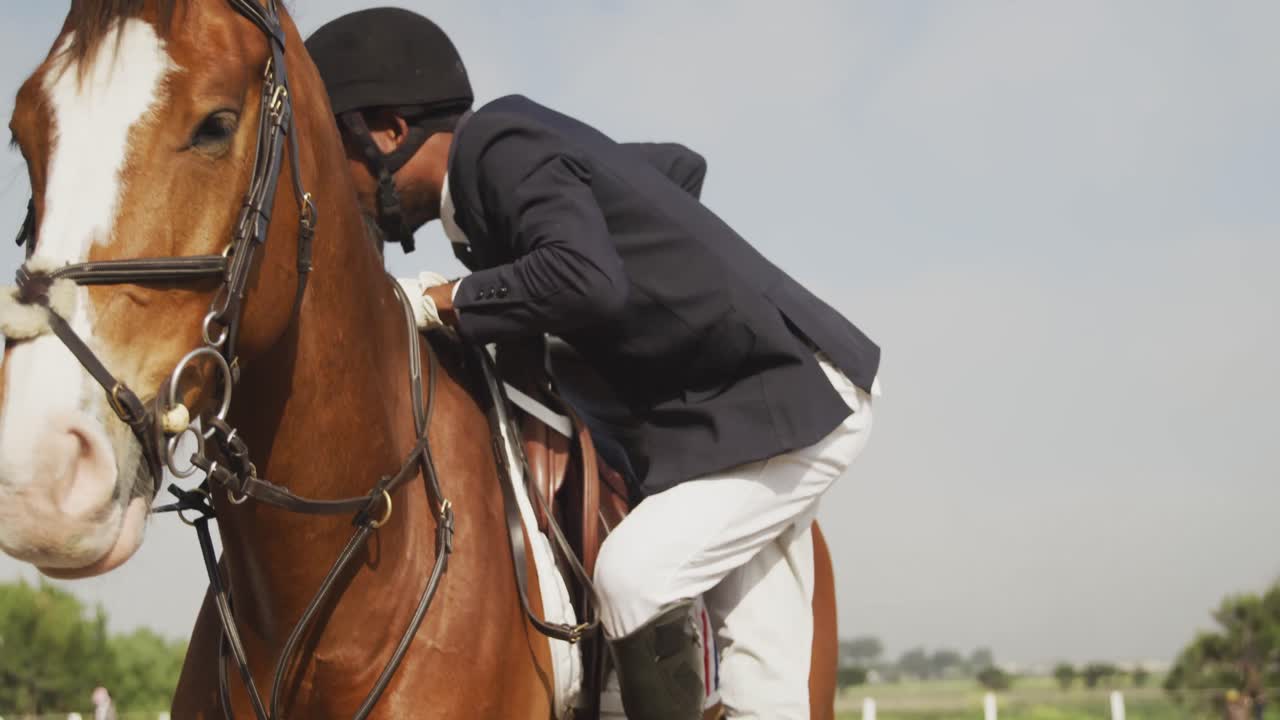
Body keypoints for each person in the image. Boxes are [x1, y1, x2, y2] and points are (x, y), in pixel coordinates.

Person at [306, 10, 881, 719]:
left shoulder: (493, 150)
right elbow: (678, 167)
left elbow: (586, 278)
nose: (336, 189)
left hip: (792, 403)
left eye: (334, 157)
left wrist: (443, 301)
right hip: (734, 420)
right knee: (767, 694)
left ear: (390, 131)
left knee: (633, 577)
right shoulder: (508, 169)